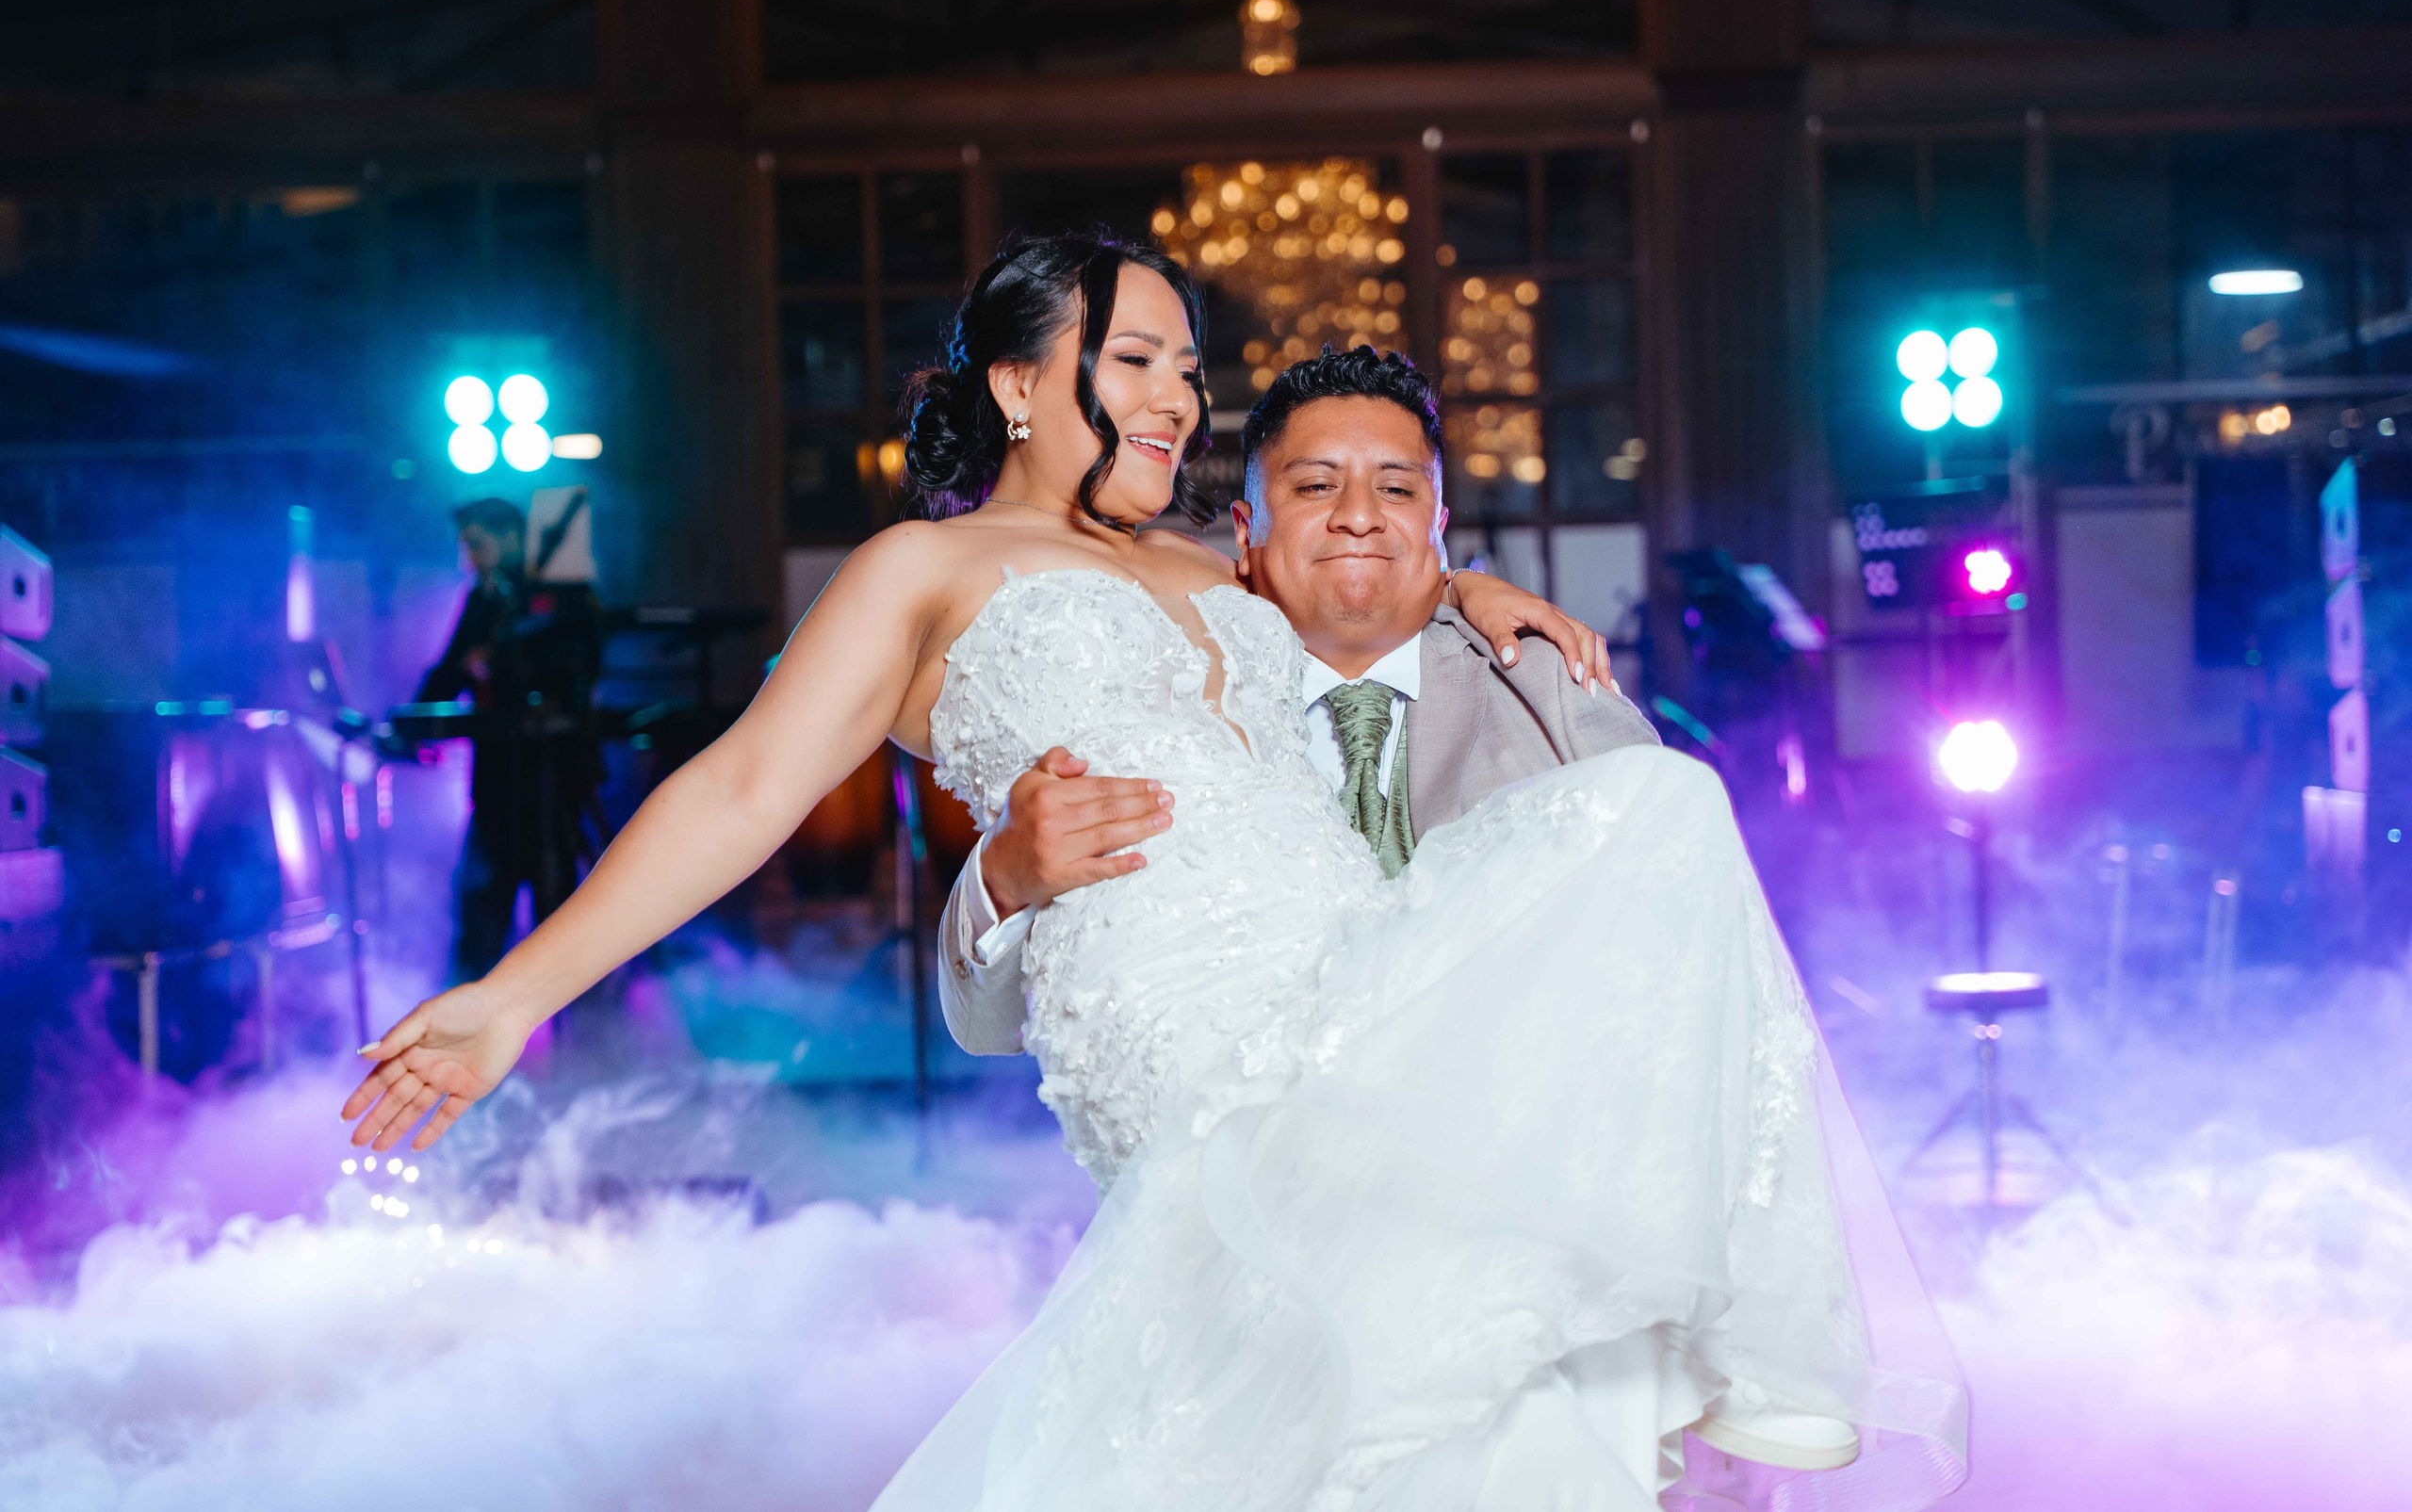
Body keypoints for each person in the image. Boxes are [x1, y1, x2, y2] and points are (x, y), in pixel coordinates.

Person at [344, 233, 1966, 1511]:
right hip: (1187, 1036)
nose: (1182, 400)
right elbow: (746, 784)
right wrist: (513, 991)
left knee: (1486, 1374)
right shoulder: (928, 566)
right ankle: (1745, 1343)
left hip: (1359, 982)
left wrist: (1466, 586)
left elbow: (1354, 552)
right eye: (1138, 361)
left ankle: (1746, 1339)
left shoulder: (1209, 559)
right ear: (1024, 385)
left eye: (1190, 368)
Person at [935, 345, 1661, 1061]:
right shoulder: (1173, 713)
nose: (1359, 516)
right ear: (1246, 534)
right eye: (1316, 487)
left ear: (1438, 528)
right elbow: (990, 1027)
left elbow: (1677, 946)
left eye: (1398, 490)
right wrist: (998, 882)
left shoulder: (1548, 682)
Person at [415, 497, 600, 984]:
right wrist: (410, 721)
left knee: (559, 918)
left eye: (476, 544)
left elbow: (579, 669)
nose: (468, 558)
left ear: (511, 538)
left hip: (553, 783)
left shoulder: (562, 594)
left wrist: (498, 661)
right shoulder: (482, 599)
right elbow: (449, 668)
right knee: (480, 916)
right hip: (497, 784)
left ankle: (586, 1039)